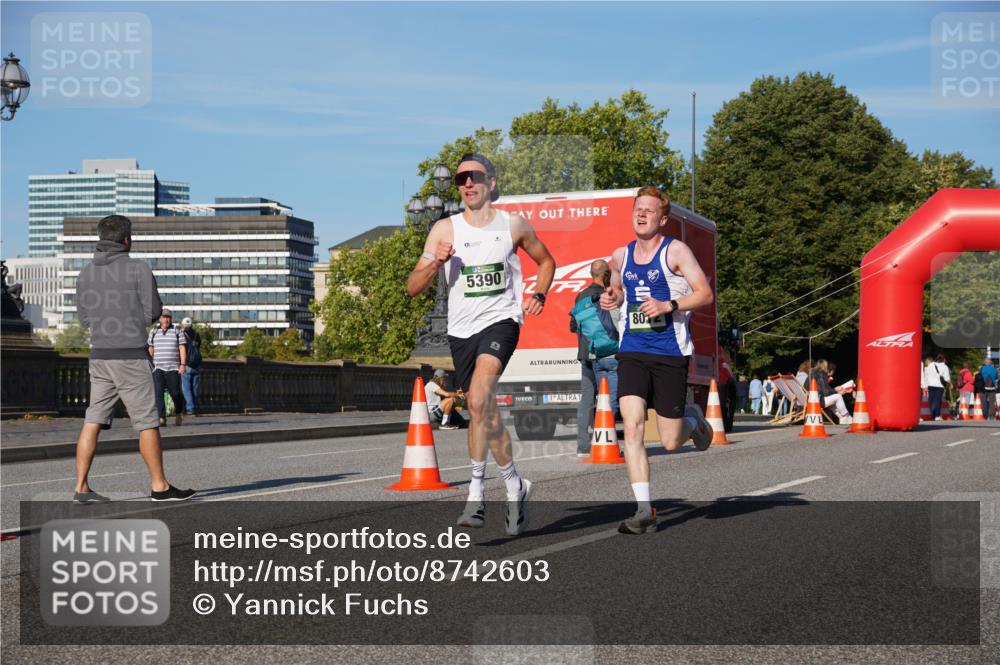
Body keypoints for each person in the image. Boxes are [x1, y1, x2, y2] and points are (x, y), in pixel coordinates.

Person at [406, 152, 555, 536]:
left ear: (491, 182)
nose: (467, 184)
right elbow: (412, 287)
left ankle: (475, 494)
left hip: (501, 323)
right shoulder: (444, 229)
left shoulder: (513, 225)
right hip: (461, 332)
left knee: (477, 398)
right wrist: (434, 263)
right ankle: (515, 485)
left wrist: (539, 294)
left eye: (474, 176)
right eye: (461, 179)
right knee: (482, 410)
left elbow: (546, 262)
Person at [599, 185, 713, 535]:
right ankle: (643, 508)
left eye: (649, 210)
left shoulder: (675, 251)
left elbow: (705, 294)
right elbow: (618, 290)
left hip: (670, 353)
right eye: (638, 209)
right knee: (632, 426)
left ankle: (693, 421)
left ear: (662, 219)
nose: (642, 214)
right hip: (632, 350)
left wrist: (669, 305)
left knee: (669, 441)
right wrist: (612, 298)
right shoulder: (621, 255)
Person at [72, 214, 196, 503]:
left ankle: (81, 488)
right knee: (147, 422)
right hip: (130, 356)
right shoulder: (138, 268)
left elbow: (84, 319)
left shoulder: (85, 273)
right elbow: (153, 312)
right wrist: (131, 319)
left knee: (93, 419)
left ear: (101, 238)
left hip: (99, 355)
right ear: (126, 239)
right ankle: (160, 487)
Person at [570, 259, 620, 457]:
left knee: (586, 400)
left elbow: (573, 326)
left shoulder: (580, 296)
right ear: (605, 275)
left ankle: (582, 445)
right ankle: (605, 439)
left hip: (585, 354)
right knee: (607, 399)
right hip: (604, 353)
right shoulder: (605, 296)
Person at [148, 309, 188, 426]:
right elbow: (151, 348)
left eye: (169, 317)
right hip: (157, 367)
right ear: (160, 319)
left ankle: (179, 412)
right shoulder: (154, 331)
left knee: (175, 393)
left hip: (173, 368)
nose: (167, 319)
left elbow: (182, 348)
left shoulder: (177, 330)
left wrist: (183, 364)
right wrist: (149, 362)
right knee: (158, 393)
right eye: (165, 317)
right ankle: (161, 417)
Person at [808, 359, 852, 425]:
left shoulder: (812, 373)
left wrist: (835, 391)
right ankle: (846, 416)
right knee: (838, 397)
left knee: (834, 399)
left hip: (809, 400)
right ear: (825, 366)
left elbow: (824, 391)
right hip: (817, 401)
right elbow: (826, 393)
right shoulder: (821, 374)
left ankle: (842, 418)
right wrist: (836, 390)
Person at [180, 317, 202, 416]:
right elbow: (199, 346)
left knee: (186, 388)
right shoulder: (196, 334)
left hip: (187, 364)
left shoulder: (182, 335)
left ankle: (190, 408)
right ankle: (196, 407)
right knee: (195, 387)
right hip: (196, 364)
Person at [922, 354, 951, 421]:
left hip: (930, 385)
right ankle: (937, 415)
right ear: (944, 360)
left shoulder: (931, 365)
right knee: (937, 400)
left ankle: (932, 415)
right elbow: (947, 378)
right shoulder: (945, 367)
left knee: (931, 400)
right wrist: (949, 384)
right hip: (939, 386)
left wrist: (925, 385)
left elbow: (926, 375)